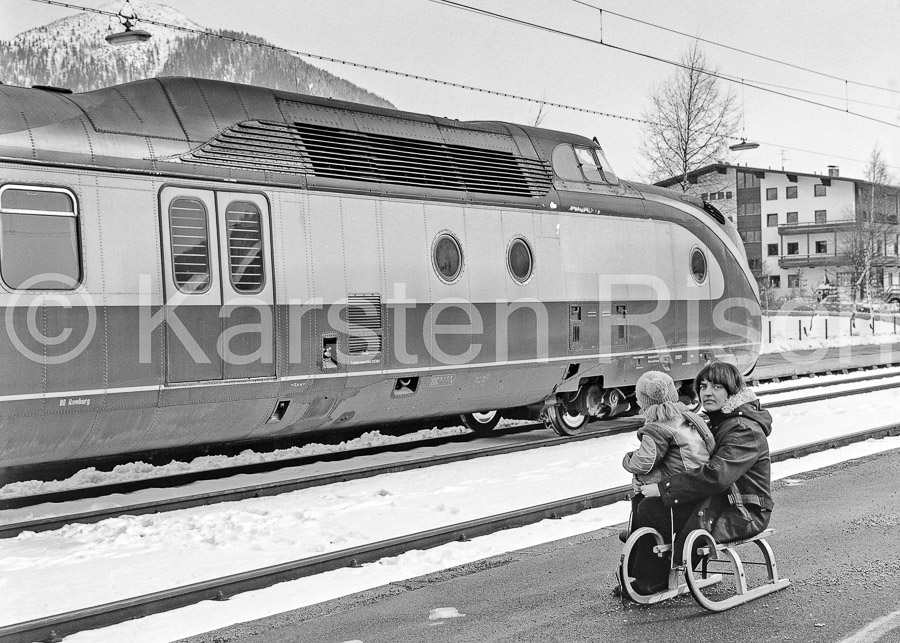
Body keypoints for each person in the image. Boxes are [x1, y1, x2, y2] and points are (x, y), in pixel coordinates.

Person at [623, 361, 774, 596]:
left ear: (732, 391)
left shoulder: (744, 430)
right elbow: (688, 461)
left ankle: (650, 581)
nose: (707, 393)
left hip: (744, 508)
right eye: (703, 386)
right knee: (644, 503)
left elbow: (716, 474)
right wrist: (648, 482)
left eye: (716, 387)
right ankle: (641, 576)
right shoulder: (717, 421)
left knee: (654, 508)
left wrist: (663, 489)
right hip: (721, 499)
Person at [620, 370, 715, 541]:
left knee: (640, 496)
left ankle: (640, 539)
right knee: (645, 488)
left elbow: (644, 462)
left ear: (644, 403)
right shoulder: (690, 417)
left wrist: (627, 460)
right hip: (701, 483)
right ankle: (638, 535)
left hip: (680, 488)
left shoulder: (657, 427)